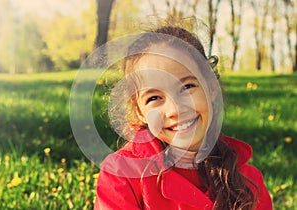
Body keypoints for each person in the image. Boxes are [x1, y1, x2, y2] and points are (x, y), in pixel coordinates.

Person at [94, 25, 273, 210]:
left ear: (211, 88)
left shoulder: (248, 179)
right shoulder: (121, 175)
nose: (175, 109)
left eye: (187, 87)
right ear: (140, 112)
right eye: (154, 98)